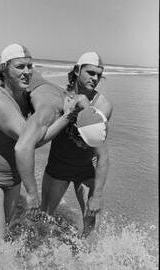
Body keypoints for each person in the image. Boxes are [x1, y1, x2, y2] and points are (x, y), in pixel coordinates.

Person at [0, 43, 81, 239]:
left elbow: (49, 94)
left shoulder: (26, 96)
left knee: (2, 235)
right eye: (20, 67)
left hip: (13, 179)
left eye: (30, 66)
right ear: (4, 69)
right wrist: (68, 116)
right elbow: (30, 141)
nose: (27, 72)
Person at [15, 51, 113, 237]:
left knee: (91, 221)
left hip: (85, 169)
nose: (95, 78)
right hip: (58, 167)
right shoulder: (60, 98)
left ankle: (85, 259)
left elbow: (103, 155)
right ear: (77, 71)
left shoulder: (103, 106)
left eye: (99, 75)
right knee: (43, 218)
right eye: (90, 73)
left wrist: (97, 196)